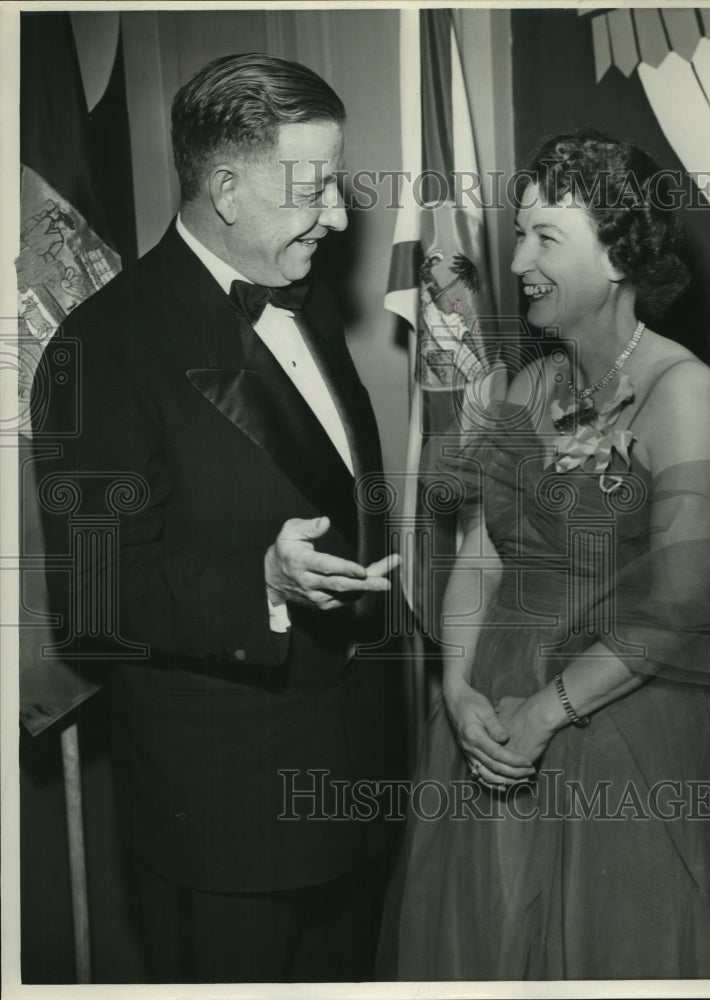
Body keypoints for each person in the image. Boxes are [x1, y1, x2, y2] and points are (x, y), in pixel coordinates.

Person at [378, 131, 710, 980]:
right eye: (519, 232)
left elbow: (683, 600)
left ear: (617, 255)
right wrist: (455, 689)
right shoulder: (519, 388)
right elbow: (482, 557)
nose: (519, 256)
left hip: (625, 732)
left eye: (545, 237)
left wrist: (546, 712)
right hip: (489, 722)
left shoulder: (682, 392)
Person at [34, 53, 405, 983]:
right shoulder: (102, 348)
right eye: (315, 189)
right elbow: (92, 592)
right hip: (231, 826)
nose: (340, 216)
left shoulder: (306, 302)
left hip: (357, 785)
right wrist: (260, 584)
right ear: (227, 189)